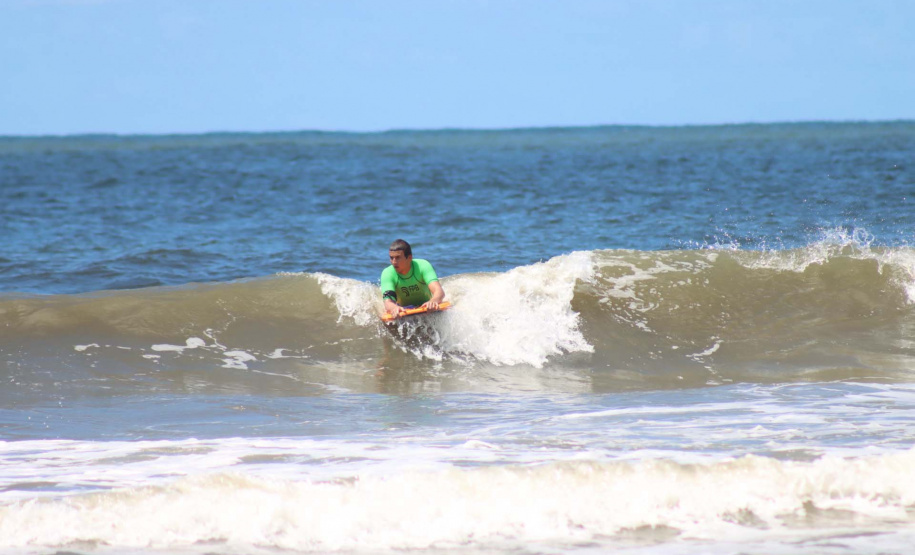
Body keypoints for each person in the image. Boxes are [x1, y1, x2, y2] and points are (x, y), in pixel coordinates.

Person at [380, 239, 445, 319]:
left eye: (398, 257)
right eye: (391, 258)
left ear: (409, 257)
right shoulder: (387, 273)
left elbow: (439, 291)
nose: (394, 262)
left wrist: (433, 301)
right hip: (403, 310)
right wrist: (394, 308)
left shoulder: (423, 266)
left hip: (426, 308)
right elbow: (388, 302)